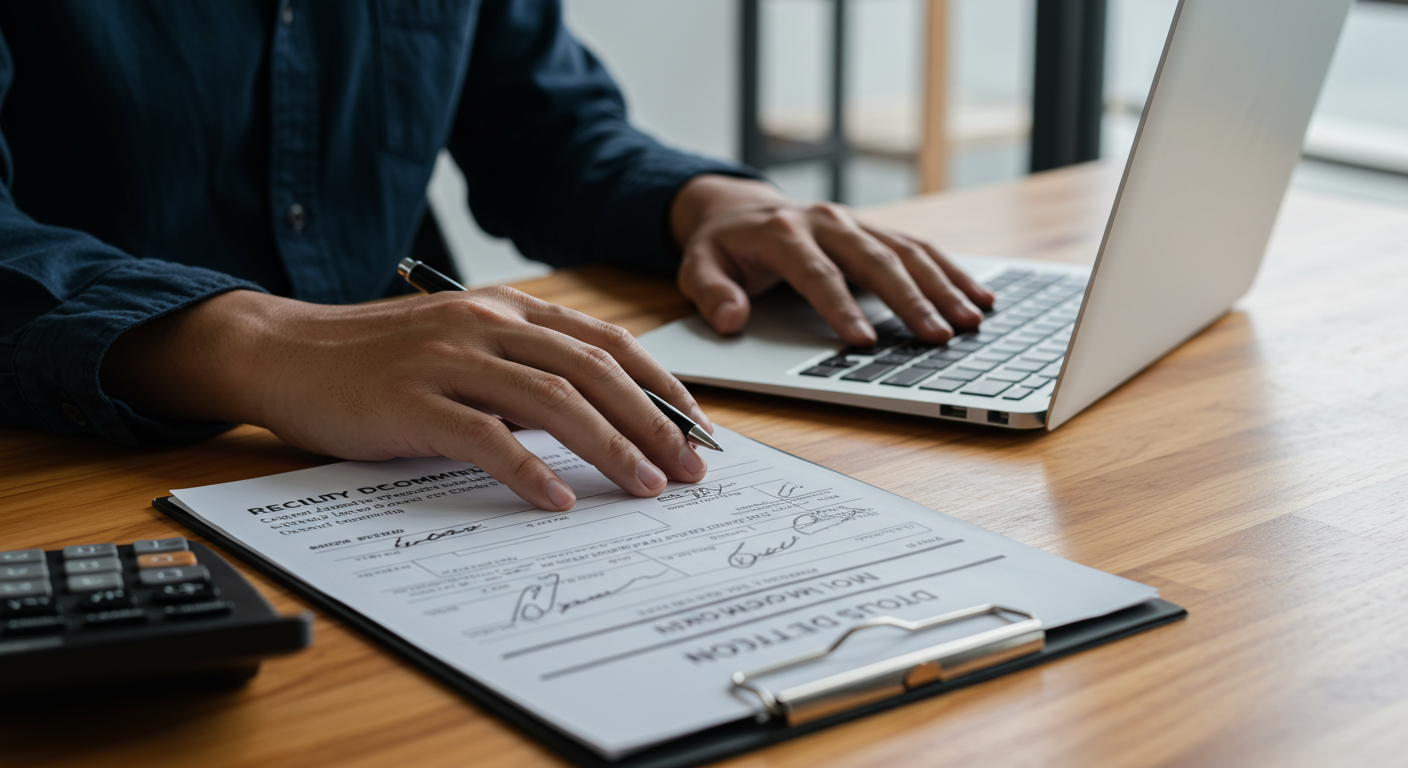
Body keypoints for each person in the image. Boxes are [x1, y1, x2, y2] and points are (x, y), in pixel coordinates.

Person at [0, 1, 992, 511]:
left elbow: (542, 129)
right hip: (75, 467)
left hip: (418, 445)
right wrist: (261, 340)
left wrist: (707, 200)